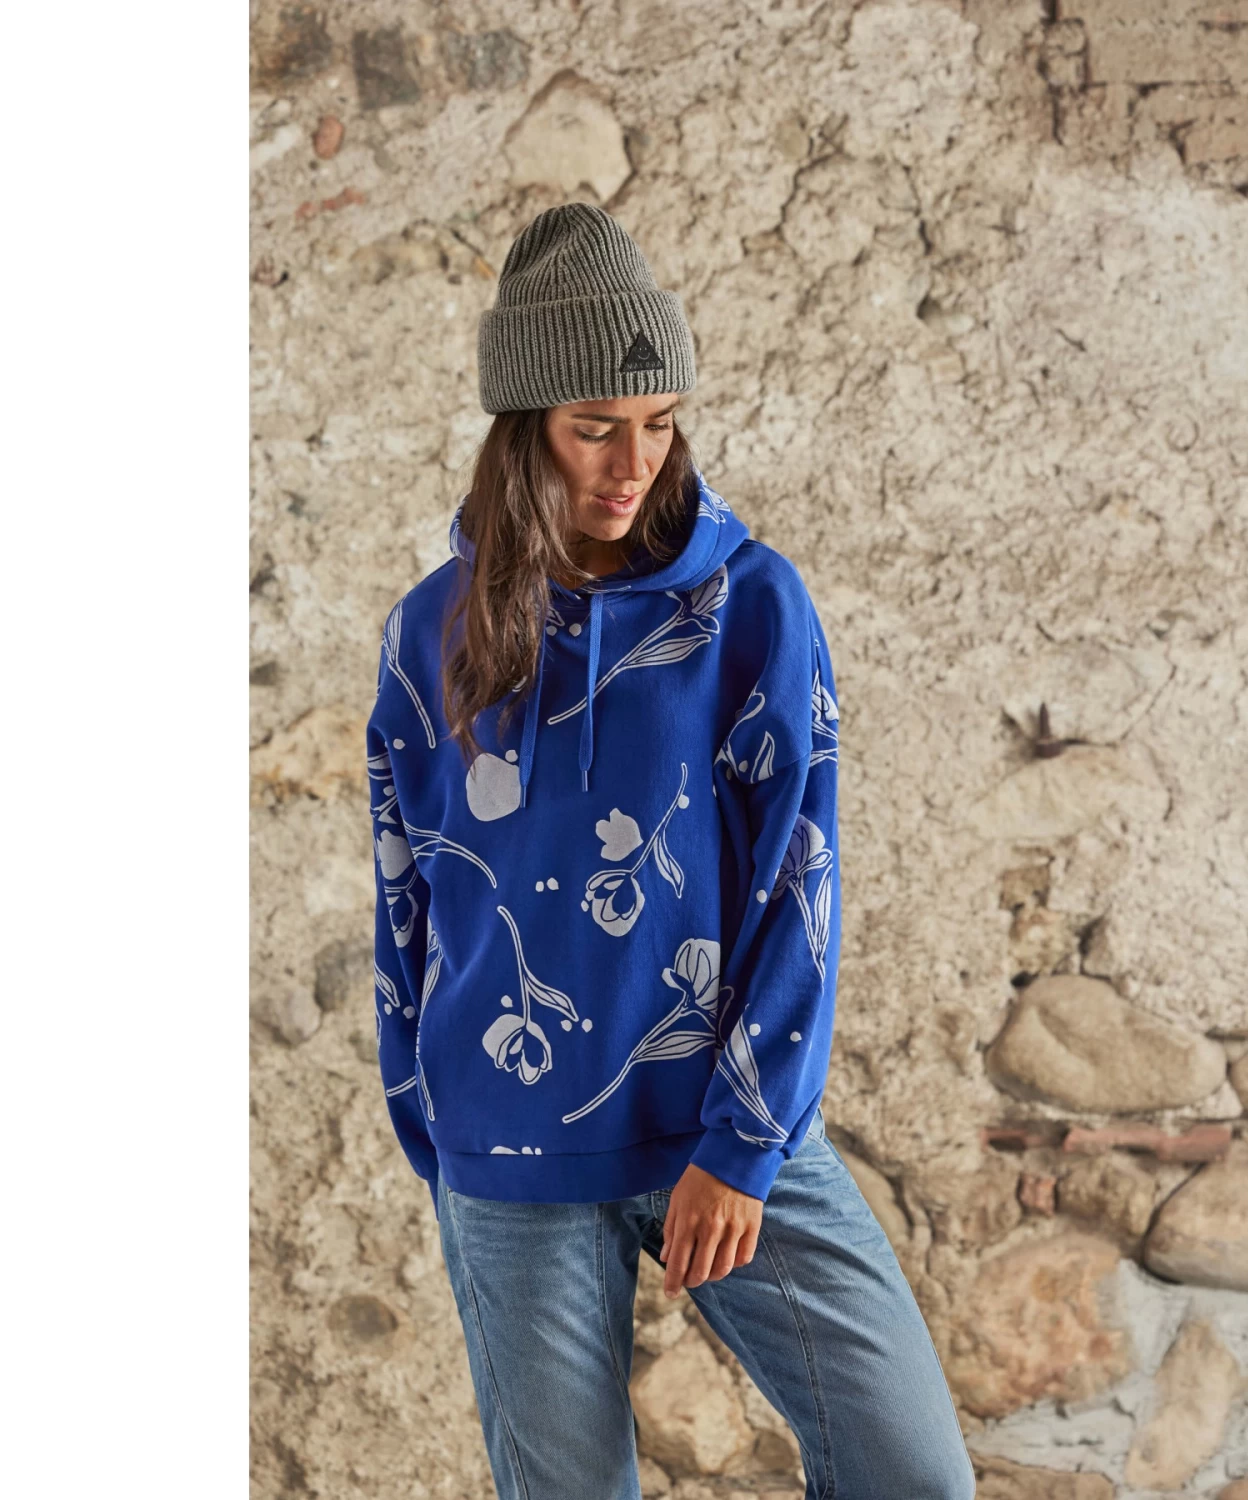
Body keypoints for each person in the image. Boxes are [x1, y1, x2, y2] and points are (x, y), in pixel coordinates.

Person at [364, 202, 975, 1500]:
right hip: (509, 1148)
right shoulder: (430, 631)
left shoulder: (751, 607)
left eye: (659, 421)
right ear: (523, 427)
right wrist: (431, 1118)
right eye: (595, 427)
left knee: (913, 1473)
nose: (632, 461)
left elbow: (800, 882)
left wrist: (745, 1144)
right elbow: (405, 881)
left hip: (715, 1114)